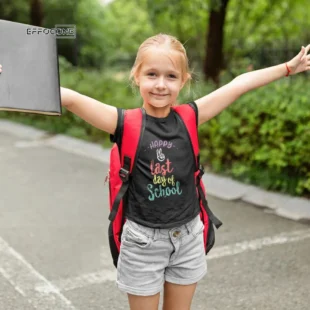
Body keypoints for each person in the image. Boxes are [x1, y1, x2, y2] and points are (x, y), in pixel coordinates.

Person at [0, 34, 309, 310]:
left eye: (171, 76)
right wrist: (10, 81)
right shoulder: (123, 121)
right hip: (142, 242)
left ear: (184, 80)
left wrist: (287, 68)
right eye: (152, 74)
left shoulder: (190, 117)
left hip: (188, 237)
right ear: (137, 77)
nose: (161, 84)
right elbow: (68, 97)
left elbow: (238, 84)